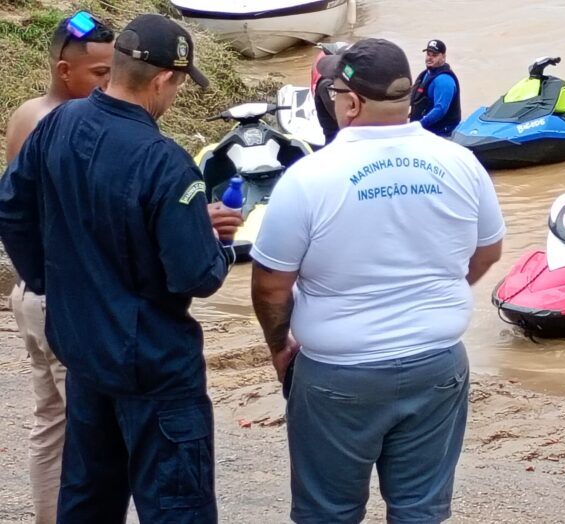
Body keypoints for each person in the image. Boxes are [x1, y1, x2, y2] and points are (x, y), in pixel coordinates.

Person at [251, 38, 505, 523]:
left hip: (338, 374)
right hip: (437, 365)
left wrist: (279, 347)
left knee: (328, 513)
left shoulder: (308, 179)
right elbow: (488, 251)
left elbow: (270, 285)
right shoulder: (462, 163)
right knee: (420, 512)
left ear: (350, 103)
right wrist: (436, 296)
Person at [0, 14, 240, 523]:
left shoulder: (59, 123)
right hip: (155, 366)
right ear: (162, 80)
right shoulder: (166, 161)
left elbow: (13, 209)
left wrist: (47, 283)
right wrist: (219, 246)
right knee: (177, 508)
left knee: (88, 501)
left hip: (85, 354)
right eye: (177, 85)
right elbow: (195, 276)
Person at [4, 11, 114, 524]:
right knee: (87, 429)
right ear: (64, 70)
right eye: (100, 73)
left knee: (50, 421)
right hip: (62, 296)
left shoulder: (26, 113)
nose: (109, 83)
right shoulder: (68, 126)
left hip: (30, 291)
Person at [410, 38, 462, 137]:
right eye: (428, 54)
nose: (430, 58)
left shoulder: (444, 80)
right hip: (422, 131)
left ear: (443, 57)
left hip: (441, 134)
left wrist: (418, 125)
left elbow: (440, 110)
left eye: (434, 55)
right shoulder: (426, 74)